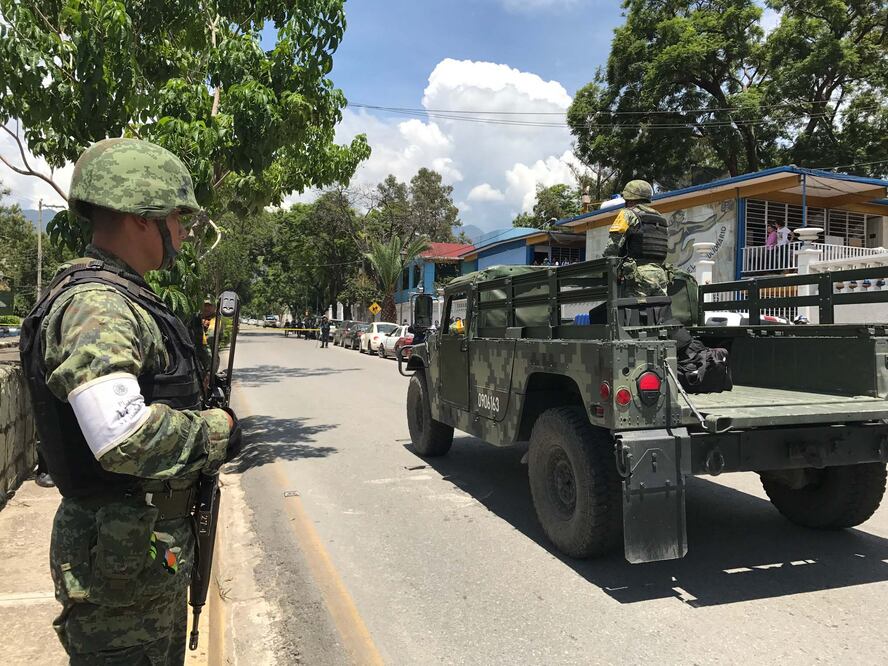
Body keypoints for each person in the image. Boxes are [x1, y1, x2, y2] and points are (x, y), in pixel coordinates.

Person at [19, 138, 239, 664]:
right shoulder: (98, 306)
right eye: (176, 215)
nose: (184, 229)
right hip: (121, 578)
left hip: (139, 563)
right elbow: (122, 435)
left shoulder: (126, 297)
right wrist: (218, 430)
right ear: (141, 218)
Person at [603, 179, 670, 297]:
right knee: (657, 312)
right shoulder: (660, 218)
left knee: (632, 313)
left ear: (628, 198)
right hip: (660, 276)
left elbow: (613, 246)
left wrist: (605, 265)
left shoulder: (628, 213)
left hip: (636, 276)